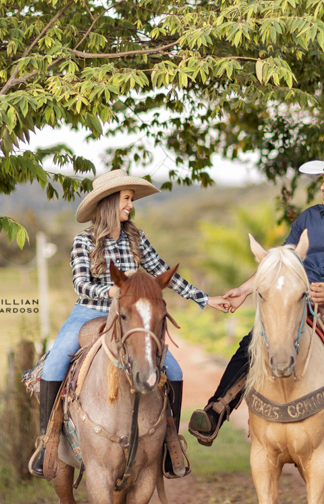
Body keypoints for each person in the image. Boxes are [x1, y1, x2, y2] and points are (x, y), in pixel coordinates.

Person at [188, 149, 324, 469]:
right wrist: (245, 291)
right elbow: (282, 260)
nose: (323, 187)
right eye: (323, 181)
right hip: (297, 296)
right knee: (252, 341)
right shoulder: (309, 218)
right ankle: (217, 409)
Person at [30, 168, 230, 478]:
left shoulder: (136, 238)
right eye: (126, 199)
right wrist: (111, 290)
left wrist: (205, 299)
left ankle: (170, 444)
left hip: (131, 318)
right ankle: (49, 442)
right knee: (56, 362)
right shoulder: (83, 241)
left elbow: (165, 274)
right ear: (110, 201)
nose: (130, 205)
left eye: (131, 200)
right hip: (89, 312)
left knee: (173, 369)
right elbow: (80, 284)